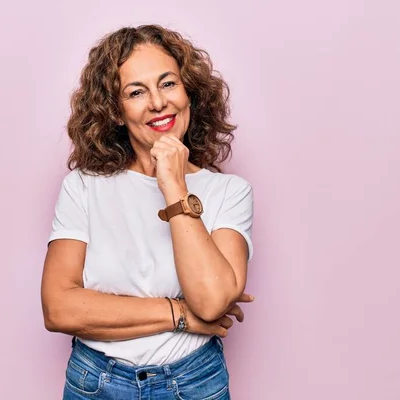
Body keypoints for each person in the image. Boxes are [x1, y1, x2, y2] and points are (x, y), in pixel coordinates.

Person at [41, 24, 254, 400]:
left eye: (168, 83)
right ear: (117, 112)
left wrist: (173, 185)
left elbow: (211, 301)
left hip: (194, 381)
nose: (158, 102)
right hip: (96, 382)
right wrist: (181, 315)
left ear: (190, 92)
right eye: (136, 92)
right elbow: (59, 308)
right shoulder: (84, 186)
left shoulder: (229, 192)